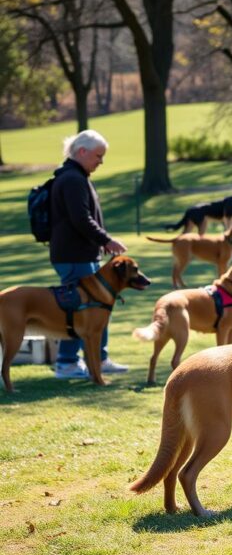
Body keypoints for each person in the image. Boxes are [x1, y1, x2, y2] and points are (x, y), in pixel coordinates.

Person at [49, 130, 130, 379]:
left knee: (98, 304)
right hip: (75, 257)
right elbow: (80, 218)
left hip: (81, 254)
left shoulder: (76, 176)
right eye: (98, 155)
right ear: (81, 152)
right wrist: (105, 239)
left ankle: (98, 358)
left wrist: (100, 243)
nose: (101, 161)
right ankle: (67, 363)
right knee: (79, 309)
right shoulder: (72, 179)